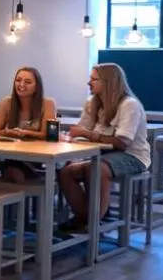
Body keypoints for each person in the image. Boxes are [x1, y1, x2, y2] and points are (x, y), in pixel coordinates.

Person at [59, 62, 149, 234]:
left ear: (108, 82)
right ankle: (84, 217)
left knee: (97, 168)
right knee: (66, 171)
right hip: (100, 155)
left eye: (94, 79)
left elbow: (122, 143)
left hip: (132, 156)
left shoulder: (129, 104)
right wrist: (71, 138)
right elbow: (81, 131)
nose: (89, 83)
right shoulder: (92, 103)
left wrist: (89, 135)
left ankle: (93, 223)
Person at [0, 66, 57, 182]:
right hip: (14, 157)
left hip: (40, 158)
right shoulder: (7, 103)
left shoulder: (48, 104)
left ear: (37, 86)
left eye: (28, 82)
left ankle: (35, 195)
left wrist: (24, 132)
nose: (21, 85)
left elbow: (48, 134)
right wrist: (9, 132)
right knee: (12, 172)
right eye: (18, 80)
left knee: (17, 175)